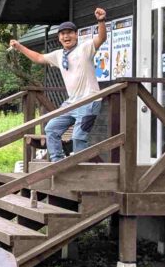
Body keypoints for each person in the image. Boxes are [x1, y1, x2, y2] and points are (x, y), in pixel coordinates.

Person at [9, 9, 107, 162]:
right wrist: (19, 47)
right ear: (59, 37)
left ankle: (81, 169)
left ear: (76, 35)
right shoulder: (58, 55)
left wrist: (101, 21)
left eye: (69, 33)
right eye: (63, 34)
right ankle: (57, 163)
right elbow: (38, 58)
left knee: (78, 137)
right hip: (71, 103)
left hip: (89, 101)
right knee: (51, 129)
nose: (66, 36)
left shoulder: (84, 48)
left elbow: (101, 38)